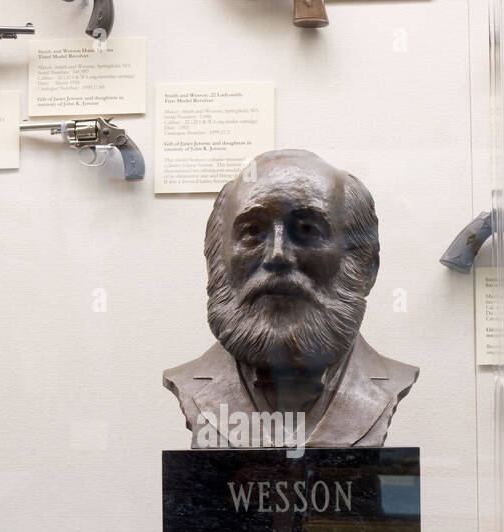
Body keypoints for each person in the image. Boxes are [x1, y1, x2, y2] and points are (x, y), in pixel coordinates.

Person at [164, 149, 417, 448]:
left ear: (364, 267)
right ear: (217, 261)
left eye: (308, 230)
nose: (278, 256)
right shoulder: (189, 381)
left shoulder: (390, 381)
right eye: (252, 232)